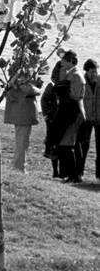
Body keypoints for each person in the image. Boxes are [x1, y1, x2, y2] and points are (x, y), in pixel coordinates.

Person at [56, 51, 85, 183]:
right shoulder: (71, 74)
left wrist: (63, 89)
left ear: (70, 61)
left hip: (75, 113)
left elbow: (75, 95)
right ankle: (71, 174)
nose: (62, 63)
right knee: (66, 143)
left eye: (64, 61)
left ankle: (74, 175)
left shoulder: (76, 75)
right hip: (71, 111)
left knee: (69, 144)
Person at [4, 71, 41, 172]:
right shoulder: (23, 85)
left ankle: (18, 165)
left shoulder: (14, 84)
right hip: (23, 117)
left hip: (20, 116)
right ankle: (19, 167)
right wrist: (36, 85)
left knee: (21, 142)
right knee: (22, 142)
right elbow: (34, 91)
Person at [78, 59, 100, 181]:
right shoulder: (81, 82)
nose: (94, 74)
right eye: (92, 71)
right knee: (83, 146)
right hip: (86, 119)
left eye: (95, 71)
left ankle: (99, 175)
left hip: (99, 118)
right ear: (86, 71)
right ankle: (79, 172)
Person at [40, 74, 61, 179]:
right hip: (53, 119)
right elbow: (43, 100)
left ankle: (62, 170)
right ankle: (55, 171)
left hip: (64, 118)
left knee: (64, 144)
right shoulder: (51, 86)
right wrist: (47, 114)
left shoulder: (69, 83)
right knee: (53, 145)